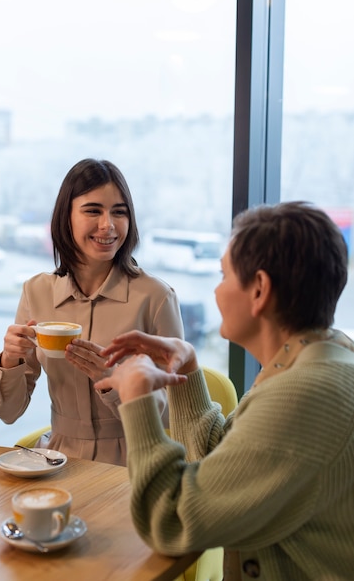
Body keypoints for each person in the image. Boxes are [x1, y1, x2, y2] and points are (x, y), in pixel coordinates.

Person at [93, 201, 354, 580]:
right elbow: (221, 463)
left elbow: (169, 521)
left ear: (260, 289)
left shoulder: (302, 394)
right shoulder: (320, 358)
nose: (216, 291)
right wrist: (187, 371)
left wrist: (138, 400)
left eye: (223, 275)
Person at [0, 158, 184, 466]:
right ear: (66, 217)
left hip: (137, 460)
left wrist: (116, 381)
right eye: (93, 210)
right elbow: (7, 412)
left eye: (119, 212)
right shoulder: (36, 292)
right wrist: (9, 361)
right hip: (57, 459)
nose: (108, 225)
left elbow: (177, 412)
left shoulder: (155, 297)